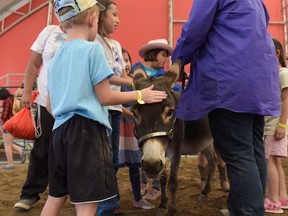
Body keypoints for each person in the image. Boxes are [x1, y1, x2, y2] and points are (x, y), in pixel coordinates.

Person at [40, 0, 167, 215]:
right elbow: (105, 96)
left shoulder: (55, 57)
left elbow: (50, 105)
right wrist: (140, 95)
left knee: (55, 197)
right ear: (92, 19)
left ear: (62, 25)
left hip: (58, 132)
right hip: (86, 133)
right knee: (87, 203)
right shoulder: (93, 50)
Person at [171, 1, 280, 216]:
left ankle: (247, 211)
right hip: (257, 80)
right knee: (252, 150)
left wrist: (179, 58)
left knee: (239, 153)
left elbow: (195, 28)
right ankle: (249, 209)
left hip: (229, 80)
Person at [14, 25, 66, 210]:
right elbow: (33, 63)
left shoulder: (87, 31)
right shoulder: (49, 32)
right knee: (42, 148)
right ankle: (30, 193)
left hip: (73, 105)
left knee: (71, 149)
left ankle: (71, 192)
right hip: (46, 103)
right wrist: (27, 92)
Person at [94, 1, 133, 214]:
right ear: (101, 16)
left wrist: (139, 94)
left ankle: (109, 200)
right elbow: (108, 77)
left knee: (114, 159)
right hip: (101, 107)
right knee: (104, 157)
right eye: (114, 14)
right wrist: (138, 87)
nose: (118, 20)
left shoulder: (116, 45)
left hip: (115, 108)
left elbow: (123, 78)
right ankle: (105, 205)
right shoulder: (94, 43)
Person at [131, 38, 181, 200]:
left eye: (167, 55)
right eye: (162, 55)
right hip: (145, 125)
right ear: (153, 54)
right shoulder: (138, 73)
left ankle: (155, 187)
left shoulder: (163, 76)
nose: (165, 59)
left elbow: (175, 90)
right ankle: (145, 184)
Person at [119, 48, 155, 209]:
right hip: (119, 128)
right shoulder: (114, 83)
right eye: (121, 60)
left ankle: (137, 198)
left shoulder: (136, 82)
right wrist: (132, 115)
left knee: (135, 165)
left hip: (133, 129)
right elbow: (116, 105)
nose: (125, 64)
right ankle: (112, 201)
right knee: (113, 164)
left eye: (127, 60)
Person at [264, 38, 288, 214]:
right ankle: (281, 197)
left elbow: (287, 100)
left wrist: (281, 124)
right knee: (276, 161)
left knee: (269, 161)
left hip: (275, 124)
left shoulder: (283, 73)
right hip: (276, 124)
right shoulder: (277, 74)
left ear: (277, 53)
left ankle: (272, 201)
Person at [0, 88, 26, 170]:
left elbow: (4, 115)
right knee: (9, 143)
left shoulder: (6, 102)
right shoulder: (13, 99)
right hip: (14, 124)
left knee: (6, 145)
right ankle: (21, 151)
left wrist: (2, 124)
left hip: (7, 125)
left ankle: (10, 164)